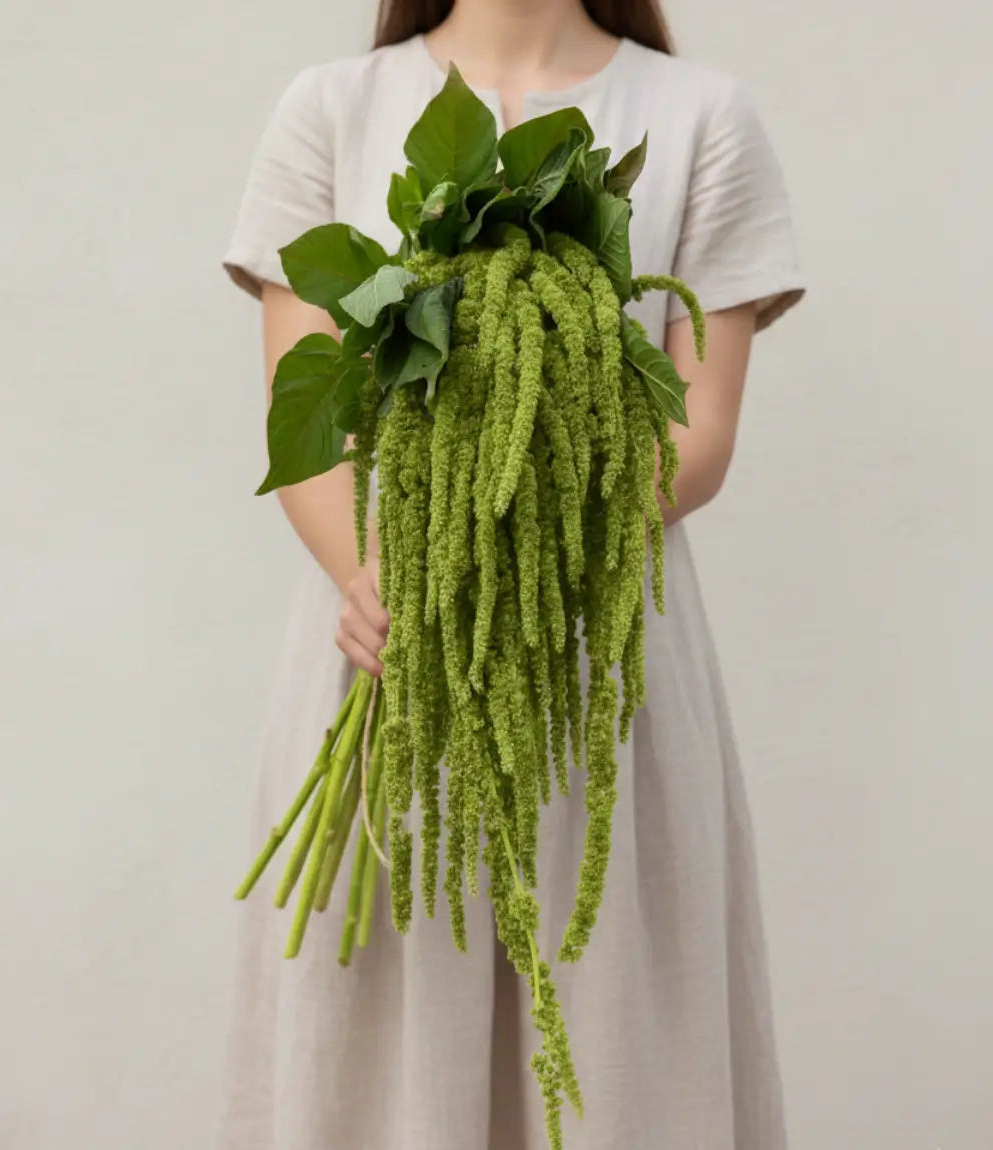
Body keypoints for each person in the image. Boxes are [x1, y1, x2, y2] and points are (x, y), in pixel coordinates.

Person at [219, 1, 805, 1147]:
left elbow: (696, 434)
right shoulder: (330, 110)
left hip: (600, 652)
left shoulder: (702, 117)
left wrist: (501, 551)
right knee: (375, 1041)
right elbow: (306, 415)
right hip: (386, 642)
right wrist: (388, 579)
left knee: (617, 1027)